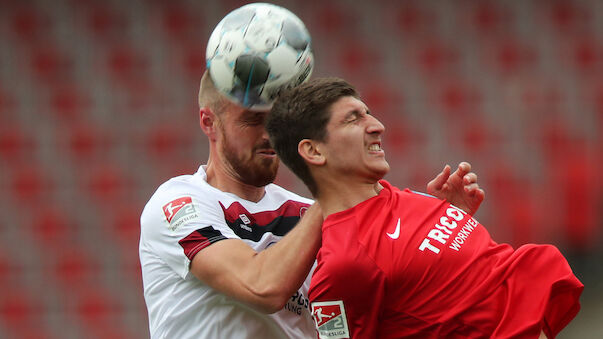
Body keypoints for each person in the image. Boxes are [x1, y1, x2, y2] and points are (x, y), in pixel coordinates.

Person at [139, 69, 486, 338]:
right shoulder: (179, 202)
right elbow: (261, 286)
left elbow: (378, 289)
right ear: (208, 122)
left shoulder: (307, 210)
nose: (268, 135)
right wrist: (333, 188)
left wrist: (432, 217)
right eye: (252, 120)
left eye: (275, 122)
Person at [266, 77, 584, 339]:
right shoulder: (345, 263)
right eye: (353, 119)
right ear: (313, 151)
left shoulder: (409, 198)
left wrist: (450, 212)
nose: (377, 126)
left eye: (368, 113)